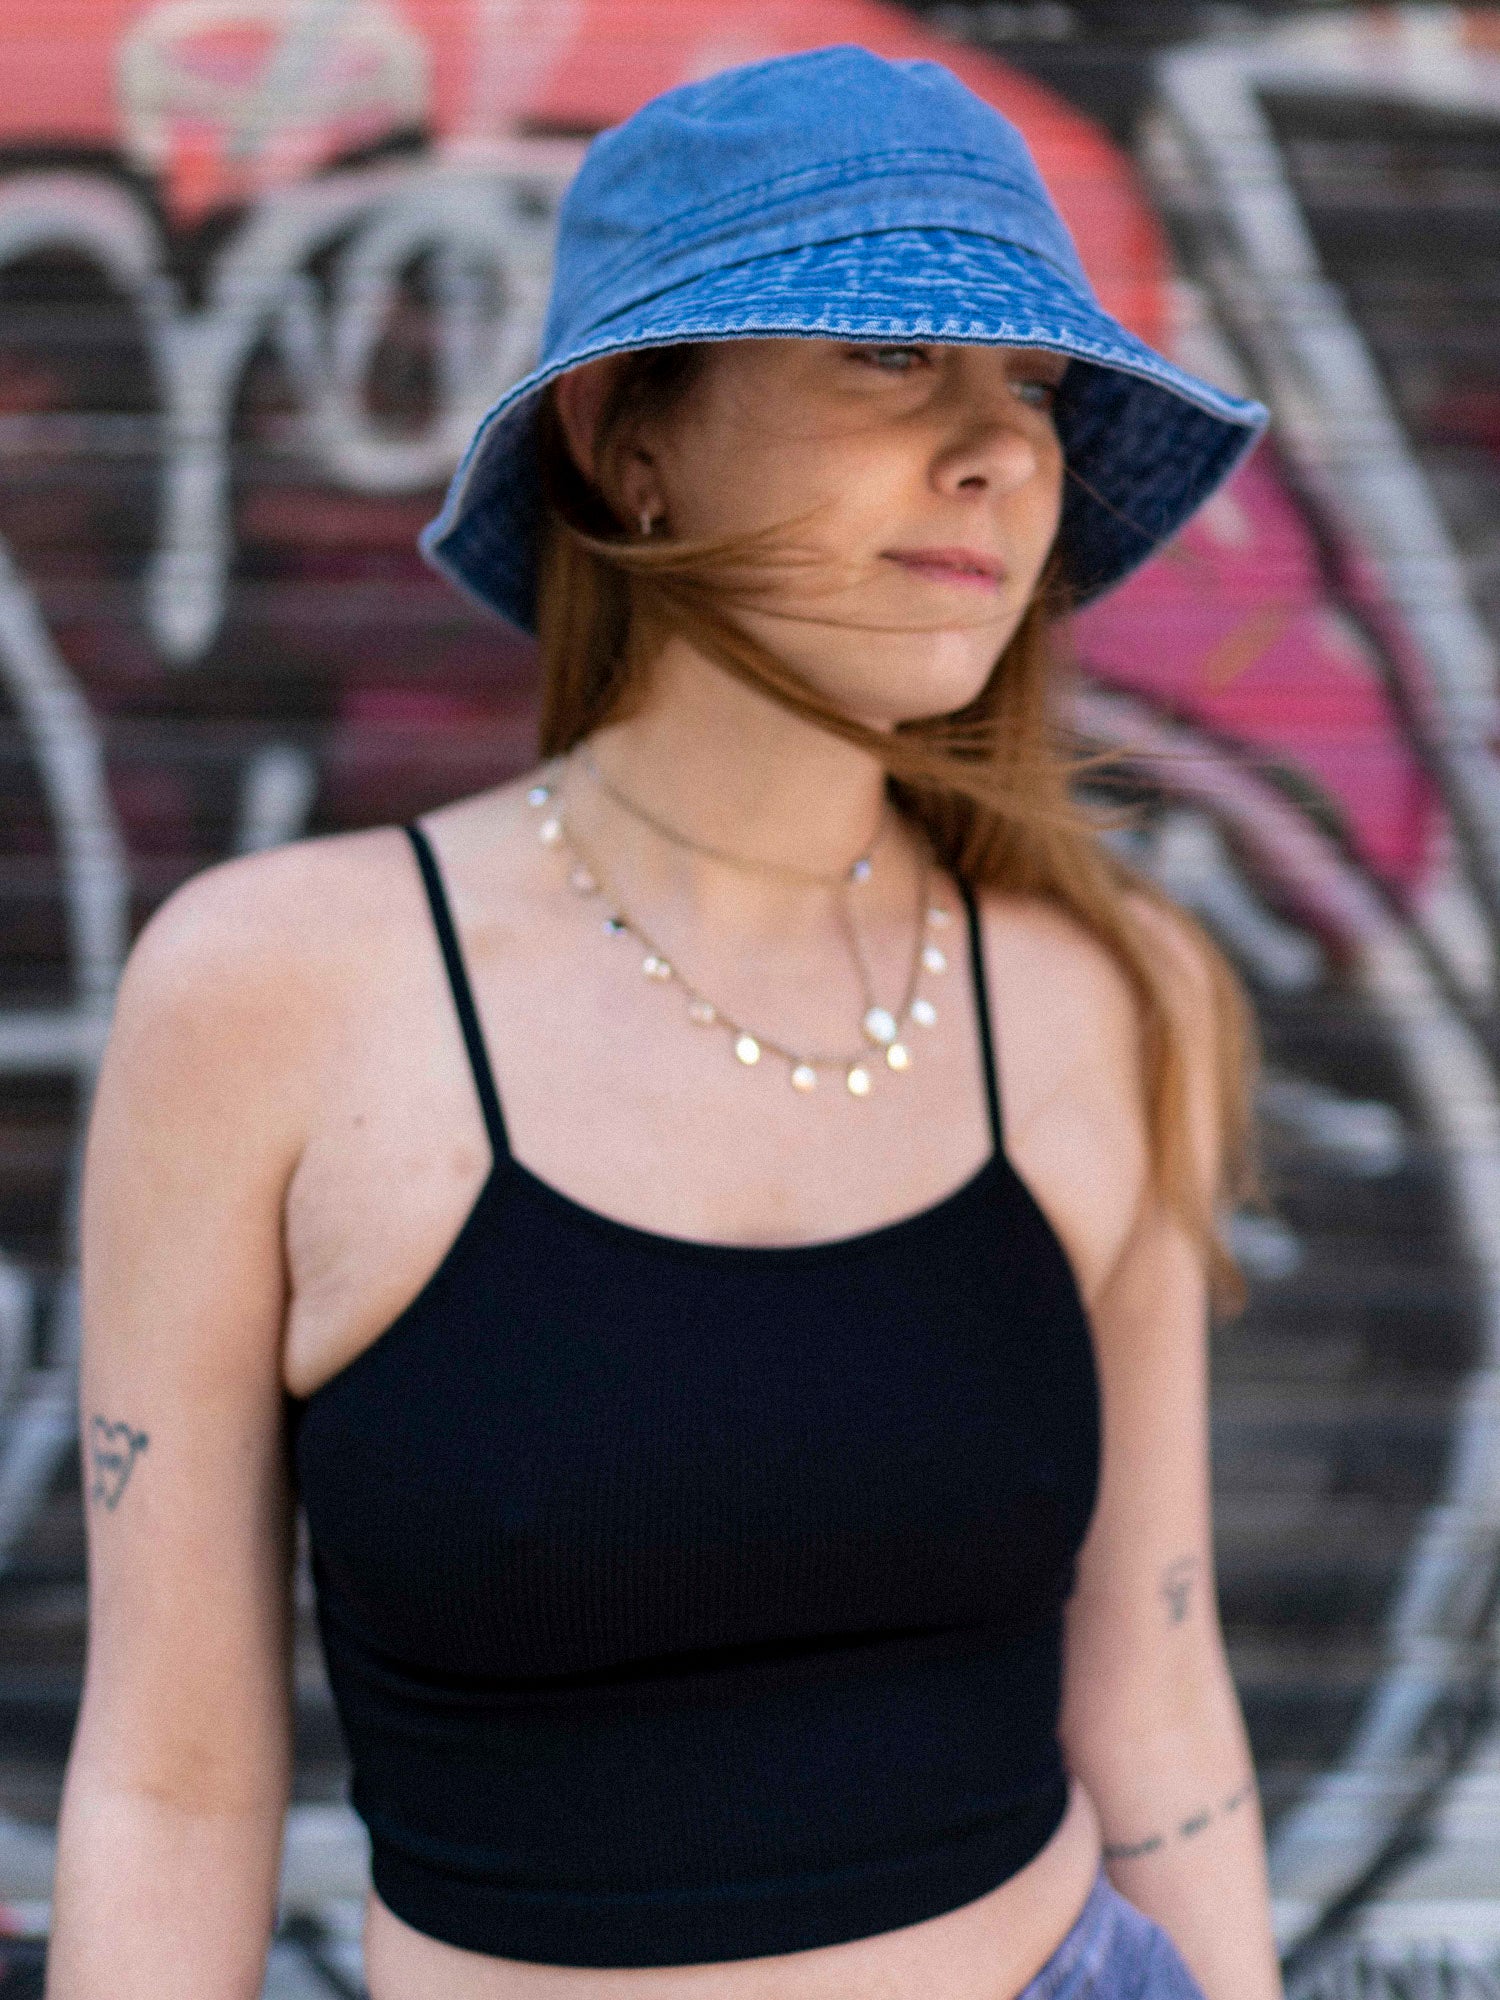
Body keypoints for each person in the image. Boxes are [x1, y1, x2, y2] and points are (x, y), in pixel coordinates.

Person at [48, 44, 1284, 2000]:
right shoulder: (275, 992)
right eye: (894, 361)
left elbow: (1159, 1697)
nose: (995, 449)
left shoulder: (1104, 994)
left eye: (1033, 388)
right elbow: (175, 1780)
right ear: (635, 433)